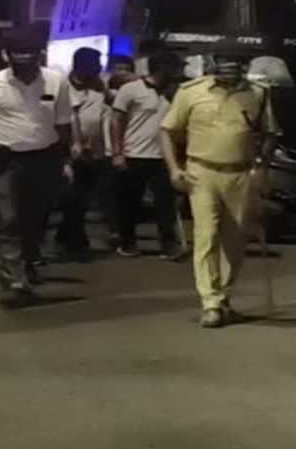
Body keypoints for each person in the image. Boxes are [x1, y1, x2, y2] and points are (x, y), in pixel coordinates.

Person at [160, 37, 279, 328]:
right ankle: (210, 302)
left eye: (237, 62)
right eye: (225, 61)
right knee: (206, 236)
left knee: (236, 240)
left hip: (241, 174)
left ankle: (223, 295)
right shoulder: (190, 92)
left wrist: (262, 166)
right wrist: (175, 169)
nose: (231, 67)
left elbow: (271, 133)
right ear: (213, 63)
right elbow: (167, 131)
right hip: (201, 172)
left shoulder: (258, 94)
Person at [0, 30, 72, 304]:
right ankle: (14, 279)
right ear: (7, 57)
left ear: (39, 56)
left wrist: (66, 161)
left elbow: (64, 124)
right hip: (6, 159)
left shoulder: (56, 81)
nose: (24, 63)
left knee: (36, 217)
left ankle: (27, 261)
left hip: (45, 158)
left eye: (29, 57)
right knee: (7, 220)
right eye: (17, 57)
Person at [112, 51, 182, 259]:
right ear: (161, 69)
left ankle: (168, 244)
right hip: (135, 154)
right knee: (130, 203)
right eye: (173, 68)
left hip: (163, 156)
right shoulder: (130, 90)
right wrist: (118, 152)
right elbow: (117, 120)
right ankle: (128, 241)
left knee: (165, 204)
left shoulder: (175, 92)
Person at [58, 47, 109, 261]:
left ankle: (67, 236)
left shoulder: (100, 88)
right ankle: (74, 242)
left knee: (82, 200)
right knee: (71, 198)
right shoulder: (62, 87)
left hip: (93, 152)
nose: (98, 69)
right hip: (67, 152)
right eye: (95, 64)